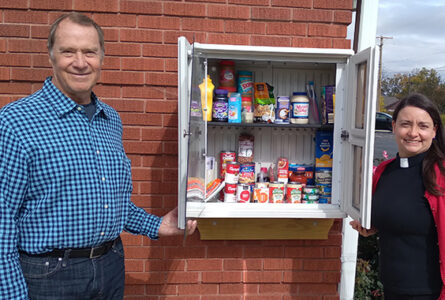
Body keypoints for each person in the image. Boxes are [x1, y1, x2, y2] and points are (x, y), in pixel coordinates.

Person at [0, 12, 197, 300]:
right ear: (51, 55)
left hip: (110, 265)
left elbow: (112, 203)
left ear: (102, 57)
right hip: (49, 277)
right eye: (68, 51)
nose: (80, 62)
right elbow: (2, 220)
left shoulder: (110, 120)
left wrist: (157, 225)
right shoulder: (15, 122)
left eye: (90, 52)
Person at [350, 93, 445, 299]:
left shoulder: (442, 175)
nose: (413, 133)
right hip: (391, 288)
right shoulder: (384, 171)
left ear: (434, 131)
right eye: (405, 124)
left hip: (431, 292)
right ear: (393, 127)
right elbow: (397, 219)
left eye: (423, 126)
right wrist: (370, 227)